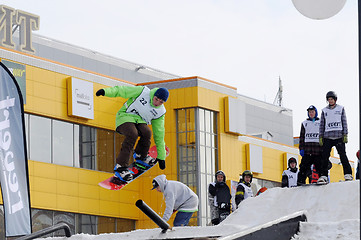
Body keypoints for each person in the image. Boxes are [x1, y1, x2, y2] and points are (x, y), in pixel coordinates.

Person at [95, 85, 169, 182]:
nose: (157, 103)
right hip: (124, 116)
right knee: (132, 134)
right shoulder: (142, 91)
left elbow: (159, 133)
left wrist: (161, 156)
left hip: (139, 121)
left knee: (147, 132)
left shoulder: (160, 112)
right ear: (154, 95)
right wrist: (105, 91)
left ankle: (140, 155)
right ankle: (121, 166)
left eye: (161, 102)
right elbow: (122, 90)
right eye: (156, 99)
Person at [319, 91, 352, 183]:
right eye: (329, 100)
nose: (330, 101)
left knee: (342, 155)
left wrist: (345, 134)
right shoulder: (324, 110)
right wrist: (320, 136)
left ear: (335, 100)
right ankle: (323, 175)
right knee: (325, 156)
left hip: (338, 136)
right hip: (327, 136)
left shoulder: (340, 109)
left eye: (332, 99)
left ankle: (348, 174)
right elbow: (322, 124)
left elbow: (344, 121)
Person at [297, 105, 323, 185]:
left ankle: (322, 179)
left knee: (320, 167)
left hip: (317, 150)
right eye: (310, 112)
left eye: (312, 112)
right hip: (307, 151)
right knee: (303, 167)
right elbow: (301, 137)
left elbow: (323, 135)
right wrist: (301, 148)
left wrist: (323, 148)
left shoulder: (321, 122)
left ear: (316, 112)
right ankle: (300, 182)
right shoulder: (305, 123)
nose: (311, 113)